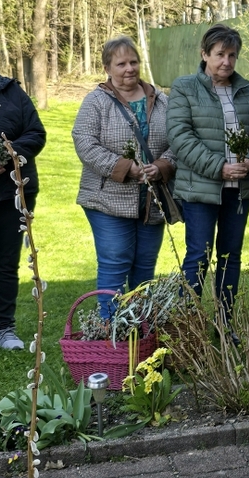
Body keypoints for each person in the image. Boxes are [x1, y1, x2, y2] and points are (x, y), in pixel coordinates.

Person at [72, 36, 176, 318]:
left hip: (151, 201)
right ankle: (111, 332)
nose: (129, 68)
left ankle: (140, 331)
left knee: (144, 267)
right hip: (107, 200)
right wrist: (124, 167)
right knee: (115, 262)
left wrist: (162, 166)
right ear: (107, 68)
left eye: (134, 62)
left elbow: (178, 141)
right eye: (121, 64)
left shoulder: (162, 100)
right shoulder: (96, 101)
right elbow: (84, 142)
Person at [167, 24, 249, 315]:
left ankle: (226, 323)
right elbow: (180, 137)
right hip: (200, 190)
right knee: (198, 256)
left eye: (232, 55)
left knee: (230, 256)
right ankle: (188, 325)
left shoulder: (245, 89)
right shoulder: (185, 87)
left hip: (239, 190)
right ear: (205, 54)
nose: (226, 61)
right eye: (220, 54)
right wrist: (219, 168)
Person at [0, 28, 46, 349]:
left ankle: (4, 330)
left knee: (6, 264)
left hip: (10, 193)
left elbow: (35, 133)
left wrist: (9, 156)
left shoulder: (12, 92)